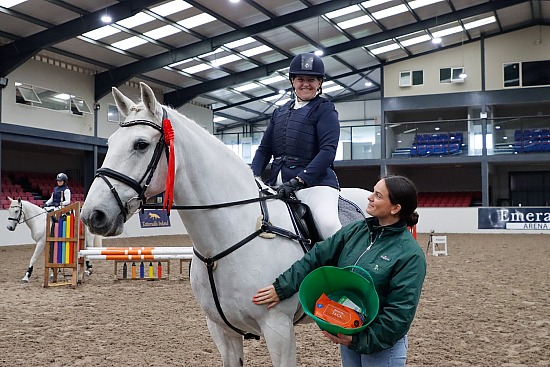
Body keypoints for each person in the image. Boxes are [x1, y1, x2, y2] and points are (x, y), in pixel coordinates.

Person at [252, 175, 427, 367]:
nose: (369, 197)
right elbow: (316, 256)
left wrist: (362, 340)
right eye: (373, 191)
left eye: (378, 195)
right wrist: (282, 287)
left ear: (395, 208)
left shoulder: (410, 255)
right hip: (350, 330)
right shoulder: (355, 231)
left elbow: (400, 314)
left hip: (381, 345)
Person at [251, 53, 341, 239]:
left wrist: (299, 180)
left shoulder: (325, 109)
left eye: (311, 79)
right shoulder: (279, 112)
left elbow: (328, 151)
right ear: (293, 81)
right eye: (300, 79)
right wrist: (252, 176)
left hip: (315, 185)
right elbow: (264, 150)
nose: (305, 84)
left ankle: (342, 266)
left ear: (319, 83)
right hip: (277, 184)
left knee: (328, 223)